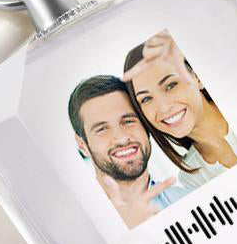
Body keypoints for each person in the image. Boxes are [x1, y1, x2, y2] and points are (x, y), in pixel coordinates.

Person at [122, 30, 237, 187]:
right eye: (146, 99)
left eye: (171, 85)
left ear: (197, 77)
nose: (164, 108)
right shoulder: (192, 178)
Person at [67, 75, 179, 229]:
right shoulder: (79, 228)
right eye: (102, 129)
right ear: (82, 145)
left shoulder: (190, 198)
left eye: (128, 121)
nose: (121, 138)